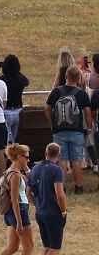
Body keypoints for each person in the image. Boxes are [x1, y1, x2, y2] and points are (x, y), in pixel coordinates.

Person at [27, 141, 67, 255]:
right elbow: (59, 193)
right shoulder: (56, 170)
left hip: (40, 213)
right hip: (53, 213)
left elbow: (29, 191)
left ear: (45, 153)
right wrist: (63, 211)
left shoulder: (36, 168)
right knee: (55, 247)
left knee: (47, 246)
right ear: (58, 155)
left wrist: (37, 204)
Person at [45, 64, 91, 194]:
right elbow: (87, 112)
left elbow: (47, 108)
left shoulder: (56, 92)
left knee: (62, 159)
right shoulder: (81, 94)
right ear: (79, 78)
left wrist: (52, 122)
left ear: (66, 76)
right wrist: (89, 127)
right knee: (76, 159)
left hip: (59, 130)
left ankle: (62, 187)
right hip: (76, 130)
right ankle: (78, 186)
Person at [0, 54, 28, 144]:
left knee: (7, 142)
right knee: (16, 142)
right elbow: (26, 81)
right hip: (18, 111)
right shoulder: (21, 79)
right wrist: (15, 69)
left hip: (5, 112)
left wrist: (3, 65)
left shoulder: (1, 80)